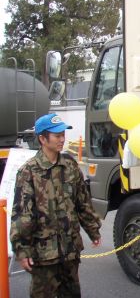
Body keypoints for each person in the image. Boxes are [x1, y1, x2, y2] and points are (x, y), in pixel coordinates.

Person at [10, 113, 102, 298]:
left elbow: (82, 201)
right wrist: (22, 249)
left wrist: (93, 229)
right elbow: (22, 213)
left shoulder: (69, 165)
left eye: (63, 135)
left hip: (70, 252)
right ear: (43, 139)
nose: (62, 139)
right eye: (57, 135)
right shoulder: (28, 171)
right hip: (43, 255)